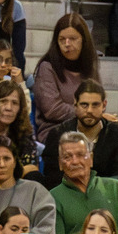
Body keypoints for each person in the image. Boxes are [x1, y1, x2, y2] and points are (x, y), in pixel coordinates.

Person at [50, 131, 118, 234]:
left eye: (81, 155)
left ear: (90, 159)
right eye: (67, 157)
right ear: (60, 164)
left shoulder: (115, 187)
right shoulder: (53, 196)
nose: (74, 161)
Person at [42, 80, 118, 189]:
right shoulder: (57, 134)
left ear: (104, 105)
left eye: (95, 105)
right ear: (75, 104)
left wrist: (99, 192)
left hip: (107, 196)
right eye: (84, 105)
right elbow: (52, 177)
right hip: (68, 196)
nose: (89, 110)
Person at [34, 13, 100, 143]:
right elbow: (53, 110)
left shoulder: (90, 67)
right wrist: (88, 113)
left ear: (83, 40)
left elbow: (98, 100)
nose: (67, 44)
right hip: (56, 131)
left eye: (73, 38)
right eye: (62, 39)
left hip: (86, 127)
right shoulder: (47, 67)